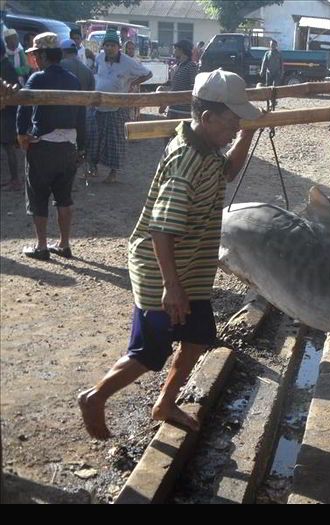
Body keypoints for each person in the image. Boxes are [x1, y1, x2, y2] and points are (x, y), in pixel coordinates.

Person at [78, 70, 263, 439]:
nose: (235, 128)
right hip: (162, 269)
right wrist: (171, 287)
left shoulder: (207, 148)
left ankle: (165, 402)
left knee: (198, 338)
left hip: (189, 266)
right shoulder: (186, 162)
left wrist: (246, 134)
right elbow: (161, 229)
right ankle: (95, 398)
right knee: (150, 351)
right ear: (208, 118)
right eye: (232, 122)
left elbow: (227, 172)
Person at [16, 33, 82, 261]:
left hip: (43, 147)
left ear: (42, 55)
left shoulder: (37, 79)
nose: (33, 59)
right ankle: (64, 244)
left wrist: (21, 136)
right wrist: (81, 147)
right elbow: (81, 115)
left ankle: (41, 246)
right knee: (64, 197)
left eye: (34, 54)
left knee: (38, 196)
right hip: (68, 147)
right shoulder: (73, 80)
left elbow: (23, 109)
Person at [86, 29, 152, 183]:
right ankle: (92, 168)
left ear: (118, 47)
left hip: (118, 107)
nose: (109, 48)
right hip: (98, 105)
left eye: (112, 45)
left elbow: (148, 74)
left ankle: (113, 173)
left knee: (115, 141)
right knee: (94, 138)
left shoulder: (128, 62)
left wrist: (132, 84)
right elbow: (96, 72)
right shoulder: (100, 58)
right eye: (107, 45)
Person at [60, 38, 95, 162]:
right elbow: (92, 92)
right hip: (83, 113)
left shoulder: (60, 66)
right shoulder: (87, 70)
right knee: (80, 142)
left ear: (63, 52)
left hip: (63, 113)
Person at [1, 39, 21, 191]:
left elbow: (15, 90)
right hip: (6, 113)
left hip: (7, 113)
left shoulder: (6, 68)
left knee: (9, 147)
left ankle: (15, 180)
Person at [161, 40, 198, 120]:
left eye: (176, 49)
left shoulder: (191, 66)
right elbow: (174, 87)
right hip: (173, 107)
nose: (174, 51)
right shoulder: (177, 66)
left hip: (184, 111)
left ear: (181, 50)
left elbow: (194, 88)